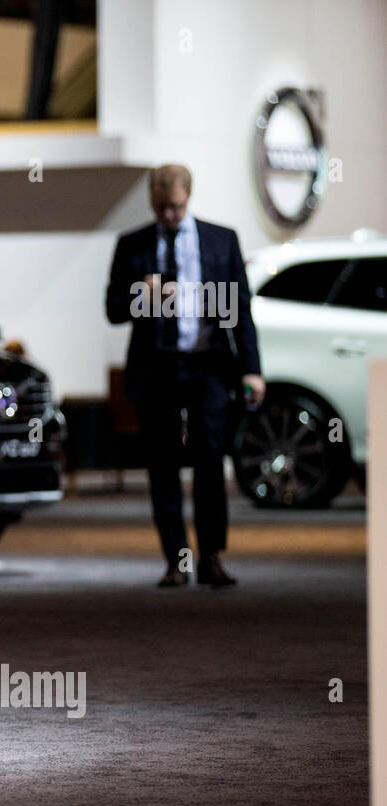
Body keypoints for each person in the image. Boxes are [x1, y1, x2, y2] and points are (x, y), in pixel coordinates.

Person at [104, 164, 264, 588]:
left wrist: (252, 369)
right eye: (160, 208)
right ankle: (177, 561)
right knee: (163, 466)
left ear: (187, 198)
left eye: (174, 207)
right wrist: (144, 295)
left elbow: (239, 310)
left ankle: (211, 557)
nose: (168, 216)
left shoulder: (220, 239)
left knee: (211, 460)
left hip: (209, 365)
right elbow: (113, 309)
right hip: (156, 369)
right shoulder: (133, 243)